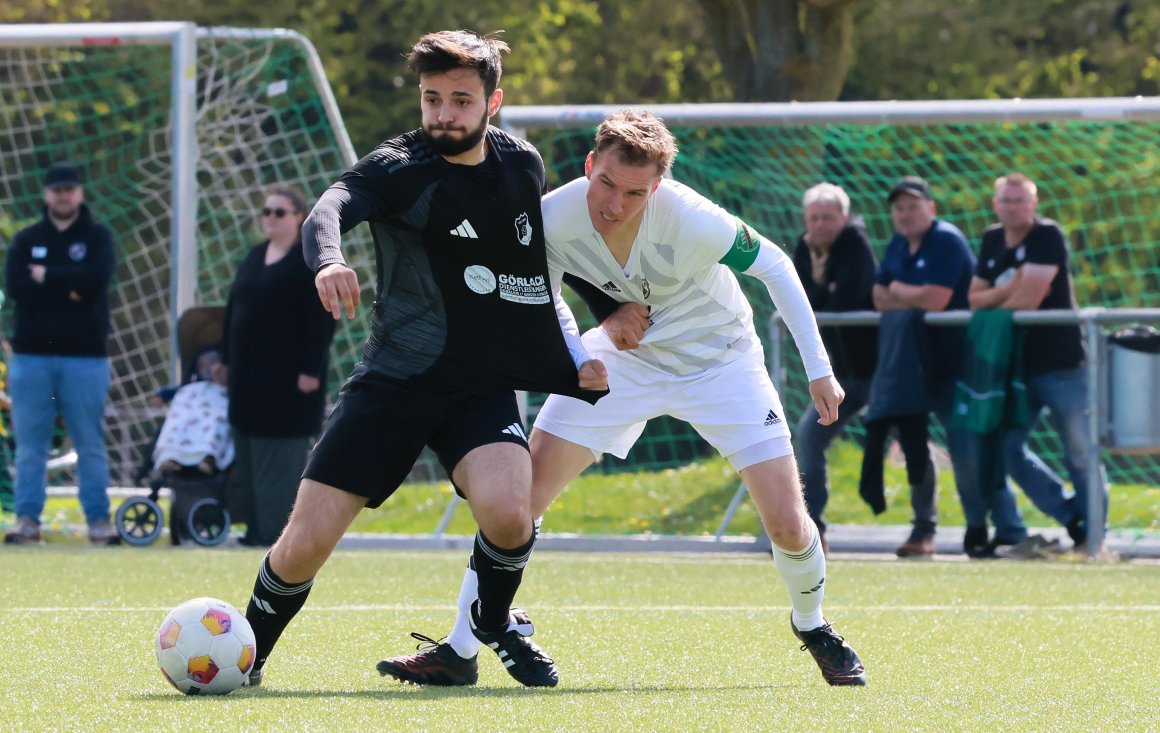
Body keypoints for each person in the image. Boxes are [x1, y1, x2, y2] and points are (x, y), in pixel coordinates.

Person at [378, 109, 866, 688]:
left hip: (723, 365)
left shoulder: (692, 220)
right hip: (622, 364)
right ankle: (460, 649)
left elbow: (778, 269)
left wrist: (819, 371)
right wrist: (582, 354)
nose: (614, 203)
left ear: (655, 188)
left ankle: (811, 624)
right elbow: (548, 295)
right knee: (515, 502)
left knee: (787, 524)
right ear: (589, 165)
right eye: (606, 183)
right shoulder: (550, 216)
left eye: (634, 192)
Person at [239, 30, 608, 689]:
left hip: (478, 385)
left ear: (492, 103)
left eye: (459, 100)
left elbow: (533, 271)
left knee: (509, 509)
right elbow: (330, 206)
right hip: (395, 382)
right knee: (303, 545)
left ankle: (490, 620)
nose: (442, 114)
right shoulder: (396, 167)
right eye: (431, 98)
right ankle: (246, 657)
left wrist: (575, 348)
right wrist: (327, 259)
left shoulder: (522, 166)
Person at [872, 176, 1027, 557]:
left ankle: (1006, 529)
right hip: (915, 368)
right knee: (917, 448)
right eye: (899, 207)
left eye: (913, 205)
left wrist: (900, 292)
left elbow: (937, 299)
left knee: (971, 451)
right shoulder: (896, 244)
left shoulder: (946, 240)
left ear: (932, 208)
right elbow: (877, 297)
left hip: (959, 368)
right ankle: (928, 531)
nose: (906, 214)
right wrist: (910, 296)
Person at [968, 172, 1105, 551]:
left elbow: (1027, 301)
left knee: (1081, 449)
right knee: (1007, 449)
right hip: (1016, 370)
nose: (1013, 207)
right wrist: (1011, 287)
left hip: (1063, 363)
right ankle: (1070, 515)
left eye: (1020, 200)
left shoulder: (1048, 236)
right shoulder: (992, 239)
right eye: (1006, 200)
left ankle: (1095, 539)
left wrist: (1001, 293)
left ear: (1034, 204)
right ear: (996, 204)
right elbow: (974, 299)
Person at [3, 163, 117, 545]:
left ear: (79, 192)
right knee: (30, 446)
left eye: (69, 188)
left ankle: (99, 521)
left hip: (86, 359)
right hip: (31, 358)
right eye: (57, 189)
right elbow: (18, 287)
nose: (63, 195)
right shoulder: (25, 240)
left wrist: (48, 276)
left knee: (89, 443)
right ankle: (26, 520)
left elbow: (95, 280)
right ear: (46, 194)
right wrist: (70, 284)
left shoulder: (98, 238)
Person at [216, 188, 337, 547]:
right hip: (247, 380)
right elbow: (233, 311)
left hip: (289, 383)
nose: (270, 217)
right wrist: (224, 360)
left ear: (299, 216)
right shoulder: (255, 256)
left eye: (279, 212)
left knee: (280, 461)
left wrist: (311, 370)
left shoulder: (308, 260)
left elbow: (322, 320)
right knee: (249, 458)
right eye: (266, 211)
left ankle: (278, 537)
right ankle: (254, 530)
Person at [790, 183, 878, 552]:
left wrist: (822, 299)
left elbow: (847, 298)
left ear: (844, 217)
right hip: (836, 374)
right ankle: (812, 530)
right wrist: (825, 298)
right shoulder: (802, 246)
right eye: (814, 217)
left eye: (828, 217)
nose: (820, 224)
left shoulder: (855, 244)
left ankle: (924, 528)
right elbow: (799, 299)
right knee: (808, 439)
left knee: (911, 440)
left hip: (878, 370)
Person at [152, 347, 233, 476]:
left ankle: (209, 457)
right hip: (191, 417)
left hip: (213, 415)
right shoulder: (192, 386)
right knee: (175, 424)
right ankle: (170, 457)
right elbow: (175, 392)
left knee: (216, 425)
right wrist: (161, 396)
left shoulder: (228, 387)